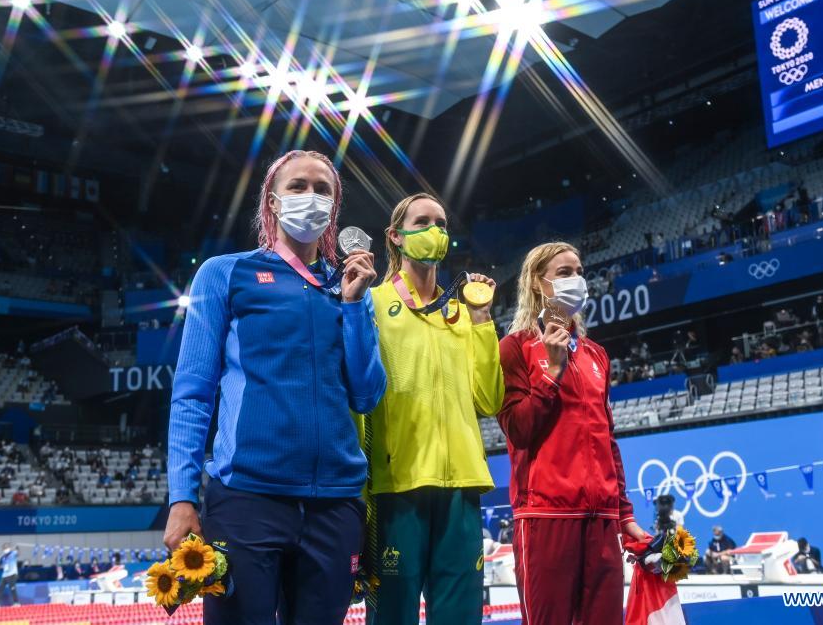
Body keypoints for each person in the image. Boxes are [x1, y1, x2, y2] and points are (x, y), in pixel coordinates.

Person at [164, 150, 386, 625]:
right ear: (272, 200)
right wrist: (182, 497)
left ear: (335, 206)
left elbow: (367, 395)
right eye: (298, 186)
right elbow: (192, 394)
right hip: (247, 499)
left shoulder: (350, 287)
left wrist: (353, 306)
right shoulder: (225, 273)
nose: (311, 196)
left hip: (335, 503)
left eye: (323, 189)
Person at [365, 192, 503, 625]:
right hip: (397, 487)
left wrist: (482, 321)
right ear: (396, 236)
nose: (435, 231)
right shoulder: (372, 304)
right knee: (392, 617)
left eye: (441, 224)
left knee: (460, 618)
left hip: (462, 485)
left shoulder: (462, 314)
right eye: (422, 222)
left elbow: (489, 399)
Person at [497, 242, 648, 625]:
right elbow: (518, 430)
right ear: (537, 282)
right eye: (564, 273)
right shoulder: (514, 348)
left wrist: (624, 515)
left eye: (579, 272)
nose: (576, 280)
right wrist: (551, 372)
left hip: (602, 520)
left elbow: (607, 440)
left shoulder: (596, 354)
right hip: (546, 516)